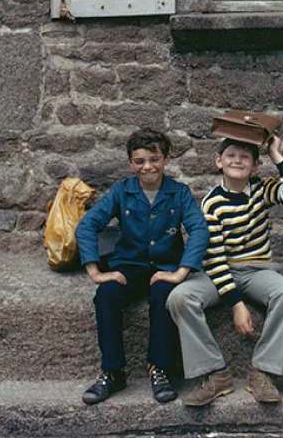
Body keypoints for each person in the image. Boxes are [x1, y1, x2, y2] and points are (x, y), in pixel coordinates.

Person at [167, 132, 283, 406]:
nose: (237, 160)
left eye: (245, 157)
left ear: (255, 166)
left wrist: (276, 154)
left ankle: (262, 370)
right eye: (231, 155)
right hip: (219, 272)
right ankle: (216, 374)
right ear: (219, 161)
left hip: (257, 270)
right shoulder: (212, 203)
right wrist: (236, 305)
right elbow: (215, 259)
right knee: (180, 298)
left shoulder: (261, 189)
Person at [75, 128, 209, 405]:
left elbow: (199, 229)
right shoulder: (121, 191)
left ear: (166, 159)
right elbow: (88, 225)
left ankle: (159, 369)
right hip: (129, 265)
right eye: (139, 161)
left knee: (164, 295)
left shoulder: (179, 193)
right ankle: (112, 371)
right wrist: (95, 271)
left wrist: (181, 272)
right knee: (106, 295)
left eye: (154, 158)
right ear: (130, 163)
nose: (147, 166)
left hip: (165, 265)